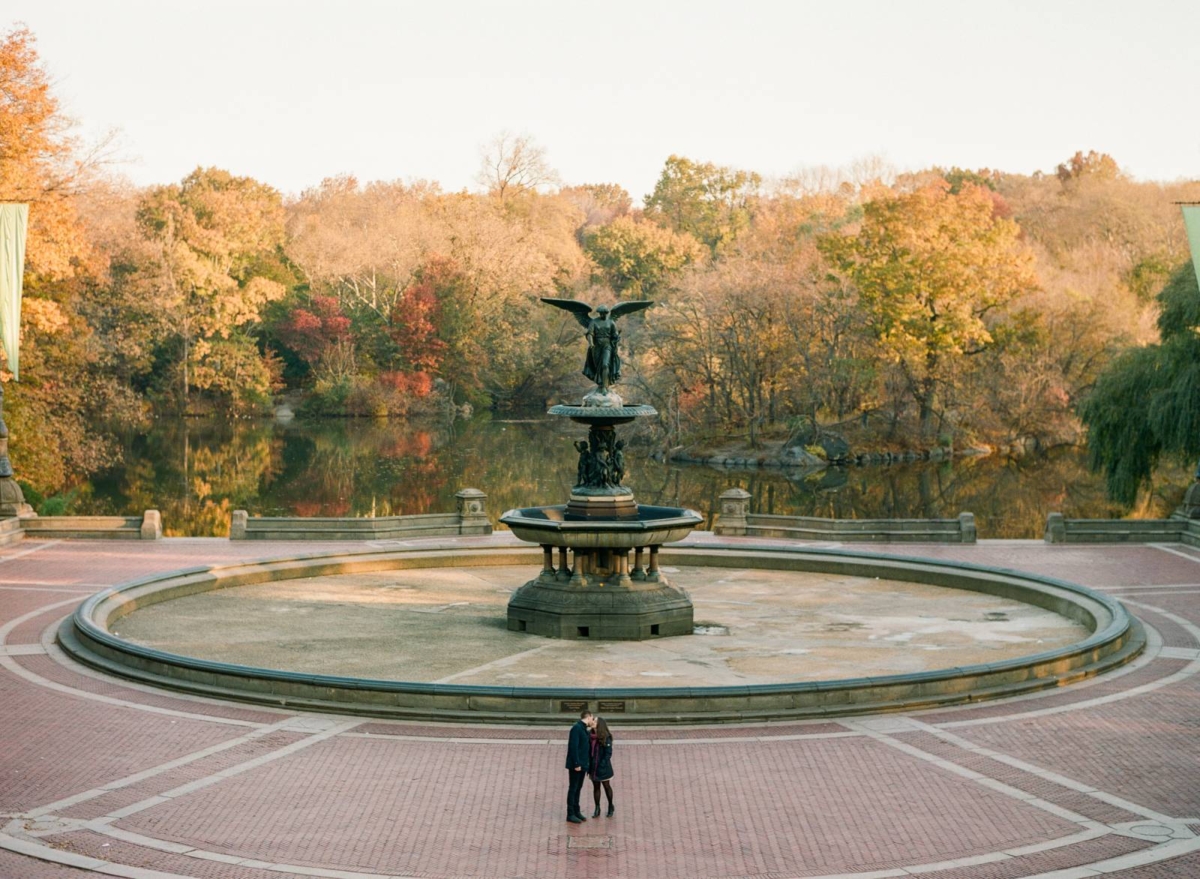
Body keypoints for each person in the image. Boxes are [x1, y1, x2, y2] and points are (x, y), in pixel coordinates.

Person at [565, 709, 594, 823]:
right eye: (592, 718)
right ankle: (570, 813)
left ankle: (577, 811)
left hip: (582, 765)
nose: (592, 720)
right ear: (588, 717)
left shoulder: (583, 729)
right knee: (573, 788)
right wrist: (576, 763)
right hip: (576, 765)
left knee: (578, 788)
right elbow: (573, 747)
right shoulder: (576, 728)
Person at [588, 715, 615, 817]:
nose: (592, 721)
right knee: (596, 787)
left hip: (603, 767)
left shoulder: (606, 737)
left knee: (606, 786)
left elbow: (608, 753)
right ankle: (597, 808)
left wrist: (602, 764)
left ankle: (610, 805)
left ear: (599, 724)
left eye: (594, 720)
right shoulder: (589, 735)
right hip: (593, 767)